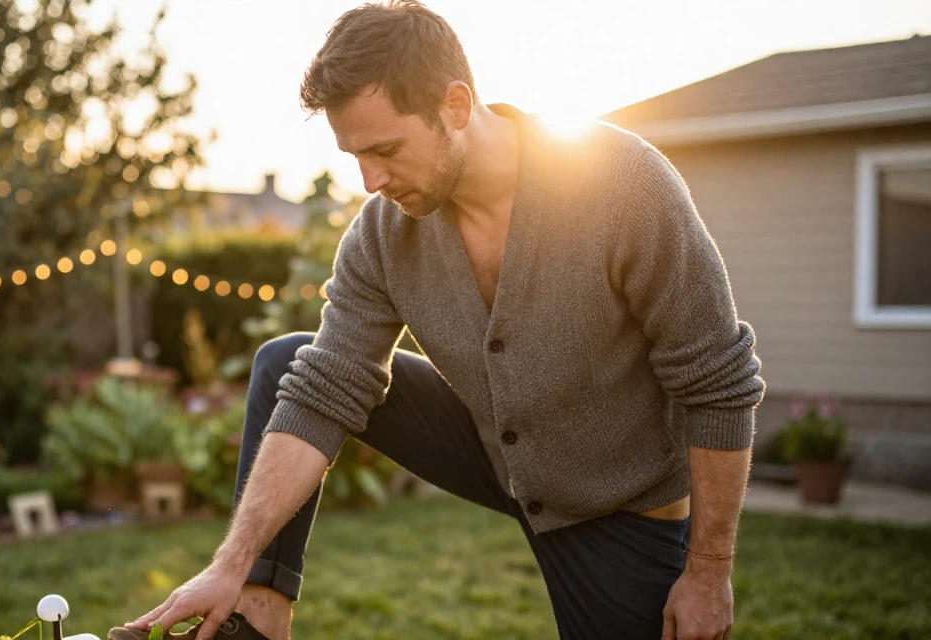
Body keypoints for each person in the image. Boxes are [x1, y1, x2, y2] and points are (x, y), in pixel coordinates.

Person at [112, 2, 764, 639]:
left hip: (620, 512)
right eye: (354, 156)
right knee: (291, 364)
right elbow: (325, 390)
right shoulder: (382, 236)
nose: (370, 180)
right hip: (496, 454)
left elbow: (718, 383)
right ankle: (254, 618)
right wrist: (230, 565)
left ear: (455, 105)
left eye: (386, 149)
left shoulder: (621, 184)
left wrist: (708, 571)